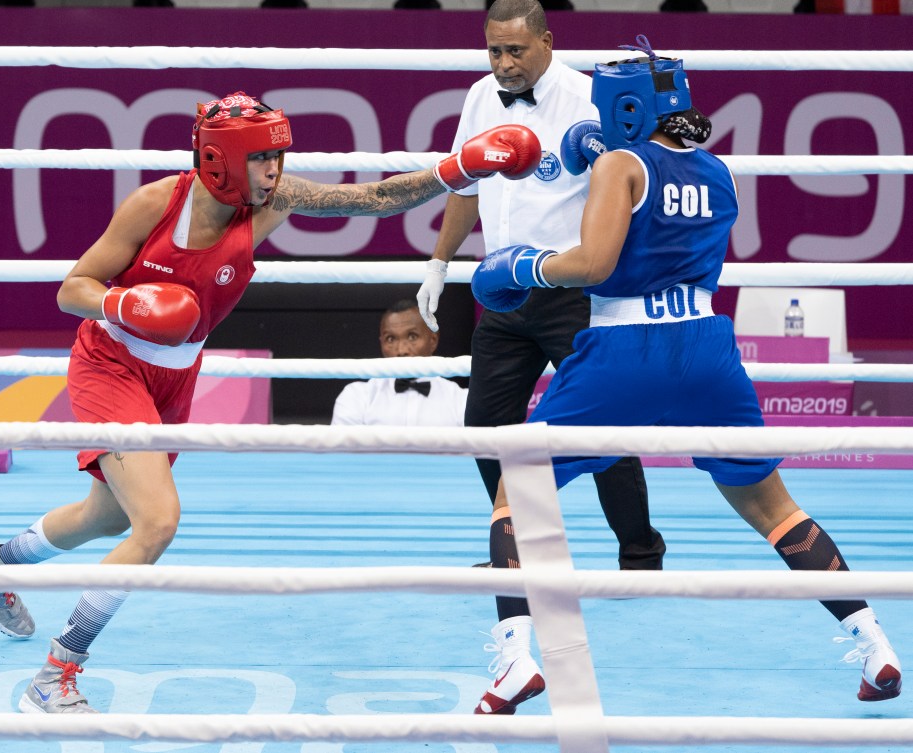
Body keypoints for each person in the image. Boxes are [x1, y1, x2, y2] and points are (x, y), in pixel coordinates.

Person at [0, 91, 541, 714]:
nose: (276, 173)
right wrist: (126, 303)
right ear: (223, 160)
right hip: (110, 363)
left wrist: (462, 168)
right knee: (157, 522)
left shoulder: (275, 200)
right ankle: (55, 675)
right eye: (263, 159)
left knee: (111, 518)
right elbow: (74, 287)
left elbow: (374, 198)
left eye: (279, 158)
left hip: (174, 376)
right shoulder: (156, 204)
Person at [469, 35, 902, 713]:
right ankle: (875, 643)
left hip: (623, 351)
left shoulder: (620, 164)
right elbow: (660, 208)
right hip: (706, 352)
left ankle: (515, 659)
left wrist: (520, 265)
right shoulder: (717, 169)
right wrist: (598, 158)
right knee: (775, 509)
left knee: (515, 491)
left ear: (630, 107)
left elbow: (593, 264)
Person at [416, 0, 665, 675]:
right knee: (487, 423)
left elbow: (631, 188)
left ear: (546, 42)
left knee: (599, 428)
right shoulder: (478, 97)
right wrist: (440, 261)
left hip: (574, 288)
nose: (503, 64)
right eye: (493, 52)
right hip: (502, 289)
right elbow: (465, 184)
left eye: (515, 52)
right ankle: (520, 545)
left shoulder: (592, 98)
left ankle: (639, 552)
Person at [331, 299, 467, 426]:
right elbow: (344, 451)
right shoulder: (357, 397)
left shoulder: (461, 400)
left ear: (433, 340)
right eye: (391, 339)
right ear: (381, 343)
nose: (401, 350)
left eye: (412, 336)